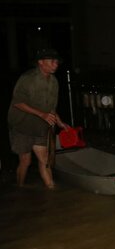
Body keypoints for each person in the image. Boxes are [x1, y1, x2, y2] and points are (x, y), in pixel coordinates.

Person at [7, 49, 68, 189]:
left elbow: (51, 107)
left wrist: (59, 122)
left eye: (57, 61)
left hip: (40, 126)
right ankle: (19, 188)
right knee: (25, 161)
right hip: (22, 125)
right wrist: (42, 114)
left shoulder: (54, 81)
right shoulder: (27, 78)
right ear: (40, 62)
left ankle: (51, 189)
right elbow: (18, 102)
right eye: (52, 61)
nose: (56, 64)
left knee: (45, 160)